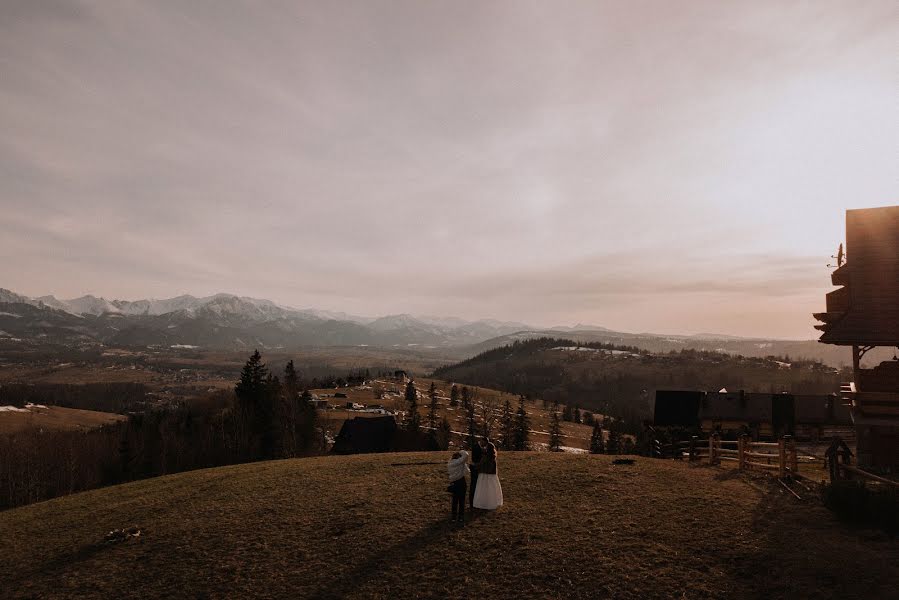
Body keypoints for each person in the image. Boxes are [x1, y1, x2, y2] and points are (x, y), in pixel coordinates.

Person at [472, 440, 503, 510]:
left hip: (484, 474)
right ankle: (492, 501)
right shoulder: (493, 457)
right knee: (492, 488)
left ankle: (484, 502)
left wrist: (474, 466)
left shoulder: (486, 457)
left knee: (483, 489)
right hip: (492, 475)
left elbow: (481, 464)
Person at [446, 450, 469, 525]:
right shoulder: (459, 462)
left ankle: (453, 516)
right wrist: (461, 451)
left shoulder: (450, 463)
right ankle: (461, 517)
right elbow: (466, 455)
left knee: (455, 500)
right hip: (461, 482)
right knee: (462, 500)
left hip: (454, 482)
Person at [468, 438, 485, 510]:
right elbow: (474, 459)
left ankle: (476, 501)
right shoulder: (476, 447)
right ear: (481, 441)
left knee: (476, 485)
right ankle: (472, 502)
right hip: (475, 468)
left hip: (477, 468)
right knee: (474, 485)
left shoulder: (480, 447)